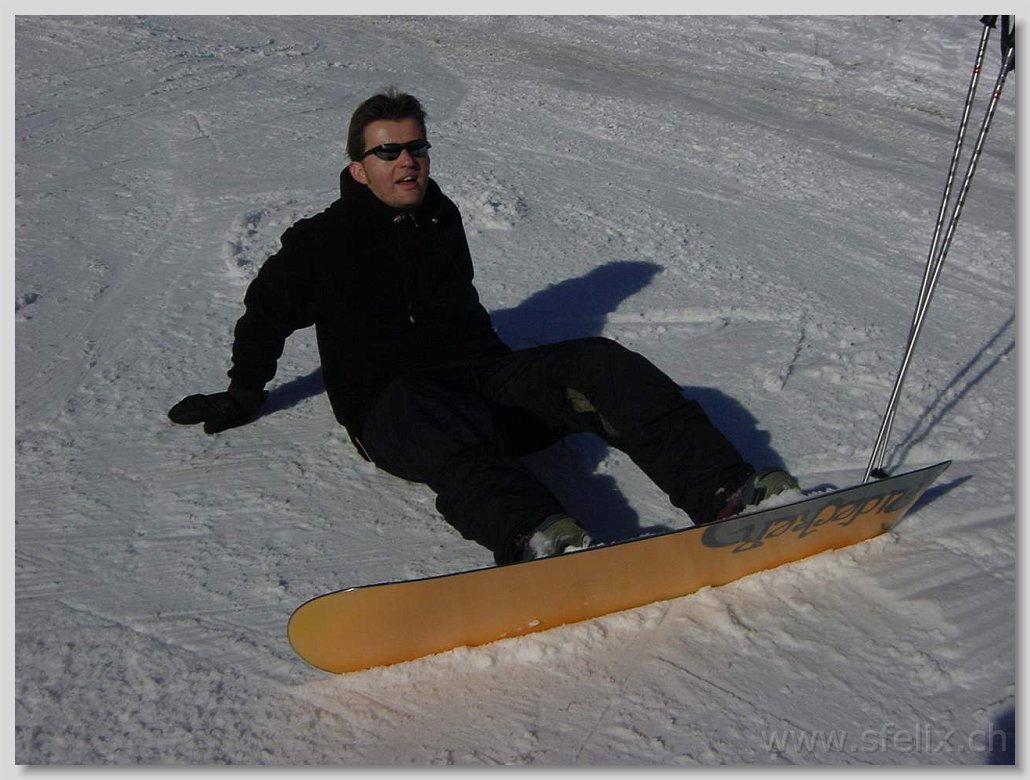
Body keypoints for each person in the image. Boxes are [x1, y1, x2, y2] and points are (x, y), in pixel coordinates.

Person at [168, 88, 798, 564]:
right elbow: (264, 316)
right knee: (421, 405)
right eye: (389, 151)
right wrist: (244, 392)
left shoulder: (438, 215)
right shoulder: (320, 244)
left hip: (484, 387)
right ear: (358, 167)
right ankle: (537, 536)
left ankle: (730, 493)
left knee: (598, 362)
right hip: (397, 414)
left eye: (417, 148)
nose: (408, 161)